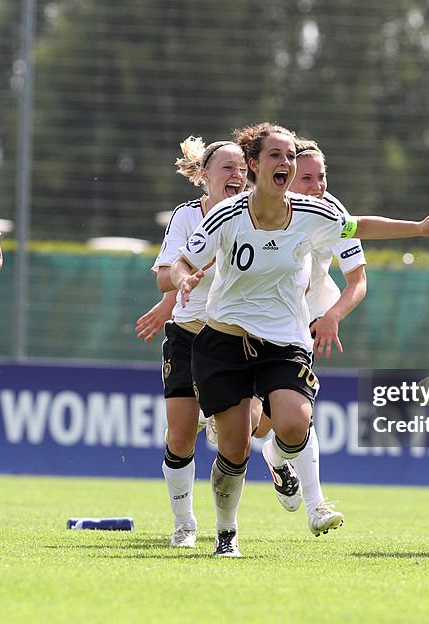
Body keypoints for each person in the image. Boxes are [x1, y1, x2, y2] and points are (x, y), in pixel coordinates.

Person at [168, 122, 429, 557]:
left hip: (284, 341)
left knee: (292, 422)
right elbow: (183, 261)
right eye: (275, 156)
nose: (285, 163)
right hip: (225, 341)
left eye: (289, 156)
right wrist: (184, 280)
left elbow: (361, 226)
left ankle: (292, 474)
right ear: (253, 165)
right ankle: (226, 532)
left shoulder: (313, 214)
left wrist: (418, 229)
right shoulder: (224, 216)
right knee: (233, 449)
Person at [252, 139, 366, 536]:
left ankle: (316, 505)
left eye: (322, 177)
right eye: (308, 178)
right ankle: (270, 453)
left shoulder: (332, 212)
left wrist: (333, 315)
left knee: (296, 418)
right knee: (260, 427)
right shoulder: (252, 208)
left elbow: (358, 280)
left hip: (301, 322)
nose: (318, 186)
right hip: (248, 323)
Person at [144, 135, 247, 548]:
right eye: (227, 168)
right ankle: (185, 523)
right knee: (180, 437)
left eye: (243, 167)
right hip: (188, 335)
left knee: (244, 433)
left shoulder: (258, 215)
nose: (237, 175)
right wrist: (179, 281)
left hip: (238, 339)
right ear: (204, 177)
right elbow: (163, 273)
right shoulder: (187, 217)